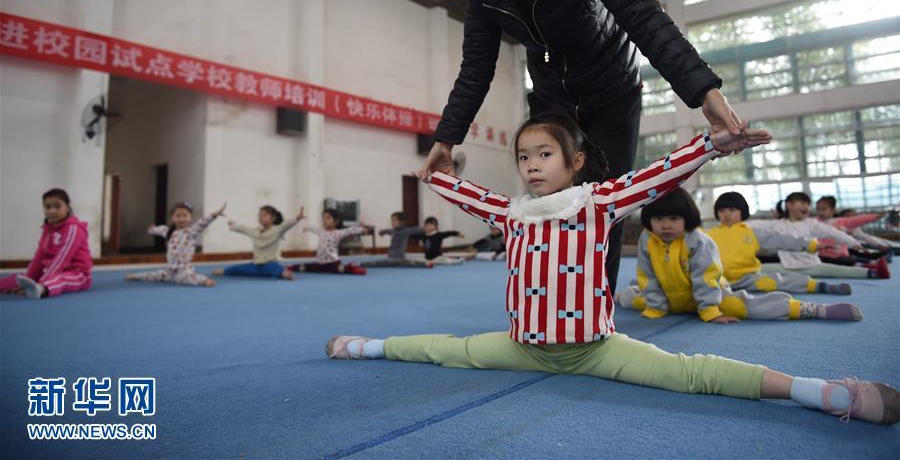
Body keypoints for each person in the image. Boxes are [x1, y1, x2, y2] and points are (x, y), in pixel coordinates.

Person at [328, 114, 898, 425]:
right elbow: (458, 192)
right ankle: (366, 347)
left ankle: (821, 392)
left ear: (575, 161)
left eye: (544, 154)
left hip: (597, 348)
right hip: (522, 345)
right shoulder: (511, 212)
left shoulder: (597, 203)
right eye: (523, 157)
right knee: (446, 349)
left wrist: (710, 146)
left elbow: (658, 175)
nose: (531, 165)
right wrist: (437, 171)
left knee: (693, 372)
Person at [420, 0, 745, 297]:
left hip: (613, 92)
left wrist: (704, 91)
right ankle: (554, 304)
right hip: (551, 100)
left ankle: (598, 314)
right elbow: (477, 66)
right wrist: (446, 139)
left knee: (600, 205)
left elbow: (643, 17)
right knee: (551, 203)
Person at [617, 189, 860, 322]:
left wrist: (710, 311)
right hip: (672, 298)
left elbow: (706, 276)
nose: (666, 226)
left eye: (673, 219)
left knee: (754, 301)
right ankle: (620, 295)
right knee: (635, 296)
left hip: (727, 287)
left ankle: (808, 307)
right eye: (659, 219)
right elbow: (647, 274)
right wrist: (655, 307)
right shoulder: (652, 239)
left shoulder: (707, 237)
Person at [707, 191, 852, 294]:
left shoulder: (751, 231)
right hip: (722, 282)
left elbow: (780, 239)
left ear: (742, 211)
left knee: (780, 281)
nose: (726, 214)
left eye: (731, 210)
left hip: (749, 278)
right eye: (722, 210)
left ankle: (819, 286)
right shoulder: (710, 234)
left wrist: (811, 245)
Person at [0, 188, 93, 299]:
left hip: (77, 275)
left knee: (59, 279)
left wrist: (40, 282)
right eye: (48, 207)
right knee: (19, 278)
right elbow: (38, 259)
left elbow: (61, 260)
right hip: (52, 273)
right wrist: (29, 280)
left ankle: (40, 289)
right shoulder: (48, 229)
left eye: (57, 206)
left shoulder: (74, 229)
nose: (52, 211)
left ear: (67, 208)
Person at [126, 202, 226, 287]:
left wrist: (214, 215)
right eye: (178, 216)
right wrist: (151, 229)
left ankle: (204, 280)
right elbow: (156, 230)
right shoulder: (168, 230)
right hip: (170, 270)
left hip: (183, 270)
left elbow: (203, 222)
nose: (181, 219)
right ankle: (136, 276)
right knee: (156, 275)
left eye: (185, 215)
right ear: (172, 217)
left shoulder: (191, 231)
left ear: (190, 218)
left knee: (188, 278)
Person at [212, 205, 304, 280]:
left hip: (270, 265)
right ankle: (225, 271)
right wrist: (232, 225)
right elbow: (243, 228)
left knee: (275, 269)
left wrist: (297, 218)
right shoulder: (255, 231)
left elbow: (286, 225)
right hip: (256, 265)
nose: (261, 217)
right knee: (237, 269)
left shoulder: (277, 230)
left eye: (264, 215)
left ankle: (284, 273)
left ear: (273, 218)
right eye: (259, 215)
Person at [289, 209, 372, 275]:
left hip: (333, 263)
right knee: (305, 267)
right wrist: (306, 228)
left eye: (328, 218)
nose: (325, 220)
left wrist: (362, 229)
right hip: (320, 264)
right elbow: (313, 228)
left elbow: (350, 230)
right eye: (324, 218)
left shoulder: (338, 233)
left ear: (336, 221)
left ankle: (354, 268)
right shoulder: (321, 231)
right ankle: (291, 267)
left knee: (342, 269)